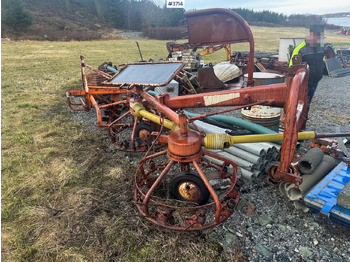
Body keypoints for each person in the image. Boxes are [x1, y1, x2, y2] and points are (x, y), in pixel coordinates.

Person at [289, 25, 325, 104]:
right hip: (303, 85)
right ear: (310, 35)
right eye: (317, 36)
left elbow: (322, 61)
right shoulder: (300, 50)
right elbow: (292, 69)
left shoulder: (321, 48)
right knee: (300, 105)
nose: (319, 39)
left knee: (307, 104)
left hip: (315, 82)